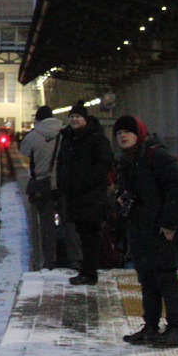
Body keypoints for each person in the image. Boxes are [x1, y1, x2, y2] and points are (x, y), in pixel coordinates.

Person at [114, 115, 178, 348]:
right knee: (148, 280)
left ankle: (175, 330)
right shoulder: (128, 160)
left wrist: (169, 224)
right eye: (119, 132)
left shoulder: (156, 155)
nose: (123, 135)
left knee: (166, 279)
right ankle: (150, 326)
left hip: (162, 230)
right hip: (141, 230)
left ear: (139, 133)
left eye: (128, 131)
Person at [57, 100, 114, 285]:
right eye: (72, 116)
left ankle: (90, 273)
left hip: (91, 197)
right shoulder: (68, 138)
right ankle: (86, 270)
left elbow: (104, 163)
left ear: (85, 119)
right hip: (75, 196)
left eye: (78, 117)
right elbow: (62, 163)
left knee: (91, 235)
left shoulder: (96, 138)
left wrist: (87, 182)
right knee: (82, 233)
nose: (74, 120)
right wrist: (63, 185)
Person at [19, 105, 64, 271]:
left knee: (44, 225)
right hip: (63, 184)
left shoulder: (34, 134)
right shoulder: (65, 132)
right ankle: (74, 259)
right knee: (69, 222)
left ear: (38, 119)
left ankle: (47, 261)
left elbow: (24, 152)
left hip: (42, 185)